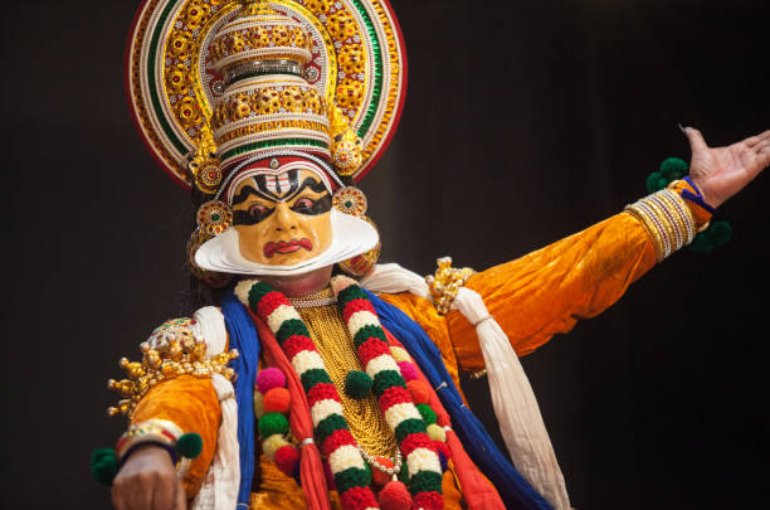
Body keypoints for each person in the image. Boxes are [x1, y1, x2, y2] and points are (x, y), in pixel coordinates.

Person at [103, 1, 769, 509]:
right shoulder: (210, 345)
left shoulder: (419, 315)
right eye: (255, 206)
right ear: (220, 221)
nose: (283, 221)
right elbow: (181, 399)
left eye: (306, 199)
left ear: (343, 206)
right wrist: (152, 447)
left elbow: (561, 280)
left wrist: (690, 200)